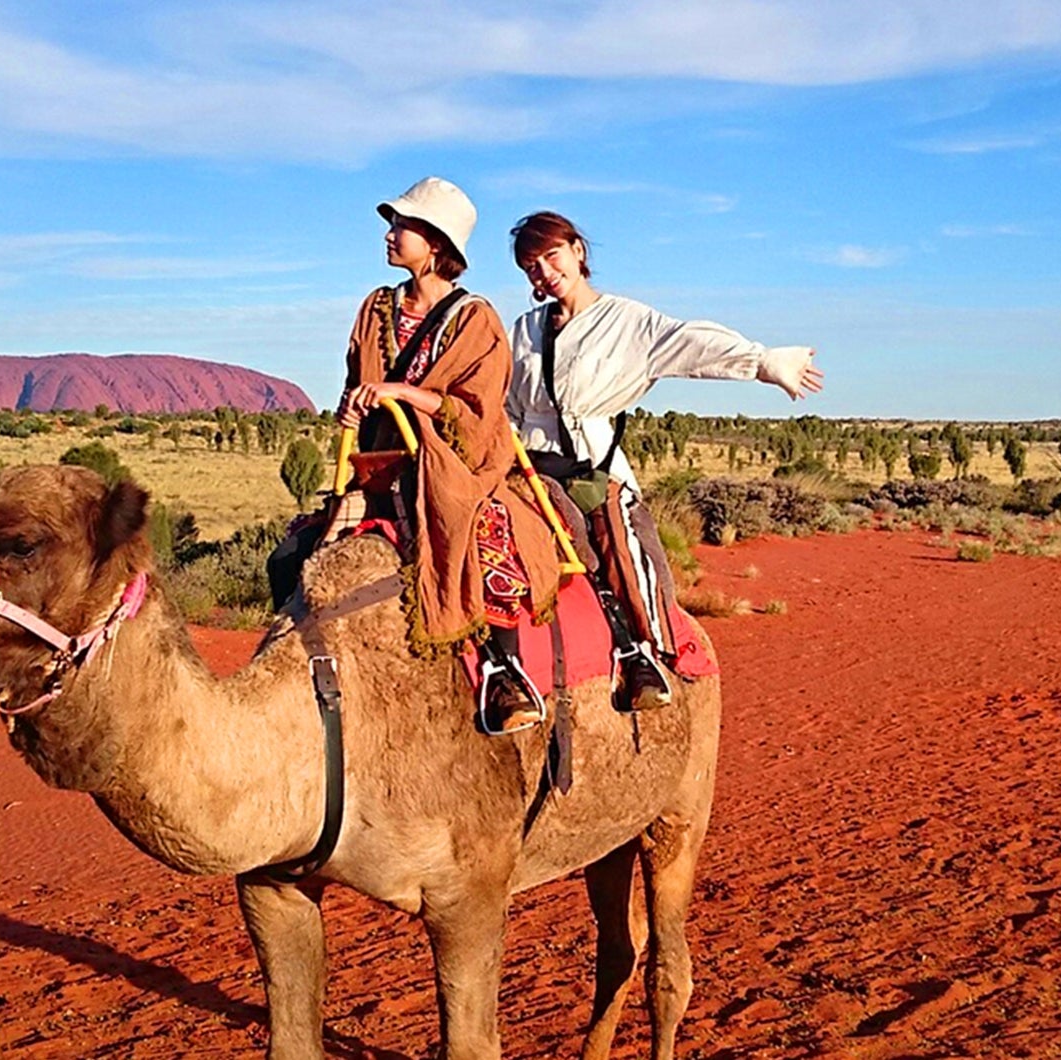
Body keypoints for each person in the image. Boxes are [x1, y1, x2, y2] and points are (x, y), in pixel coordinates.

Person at [274, 179, 562, 734]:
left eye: (401, 226)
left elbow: (478, 411)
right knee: (294, 555)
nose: (389, 235)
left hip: (454, 464)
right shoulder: (374, 307)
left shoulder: (475, 319)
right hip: (380, 464)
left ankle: (505, 673)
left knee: (482, 532)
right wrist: (354, 410)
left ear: (434, 243)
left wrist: (401, 394)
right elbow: (357, 380)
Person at [506, 211, 822, 709]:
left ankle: (642, 651)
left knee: (624, 542)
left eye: (551, 256)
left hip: (593, 467)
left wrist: (762, 362)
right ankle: (501, 668)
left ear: (577, 251)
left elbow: (690, 342)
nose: (544, 271)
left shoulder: (628, 322)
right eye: (531, 265)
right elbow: (505, 400)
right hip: (529, 467)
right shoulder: (523, 330)